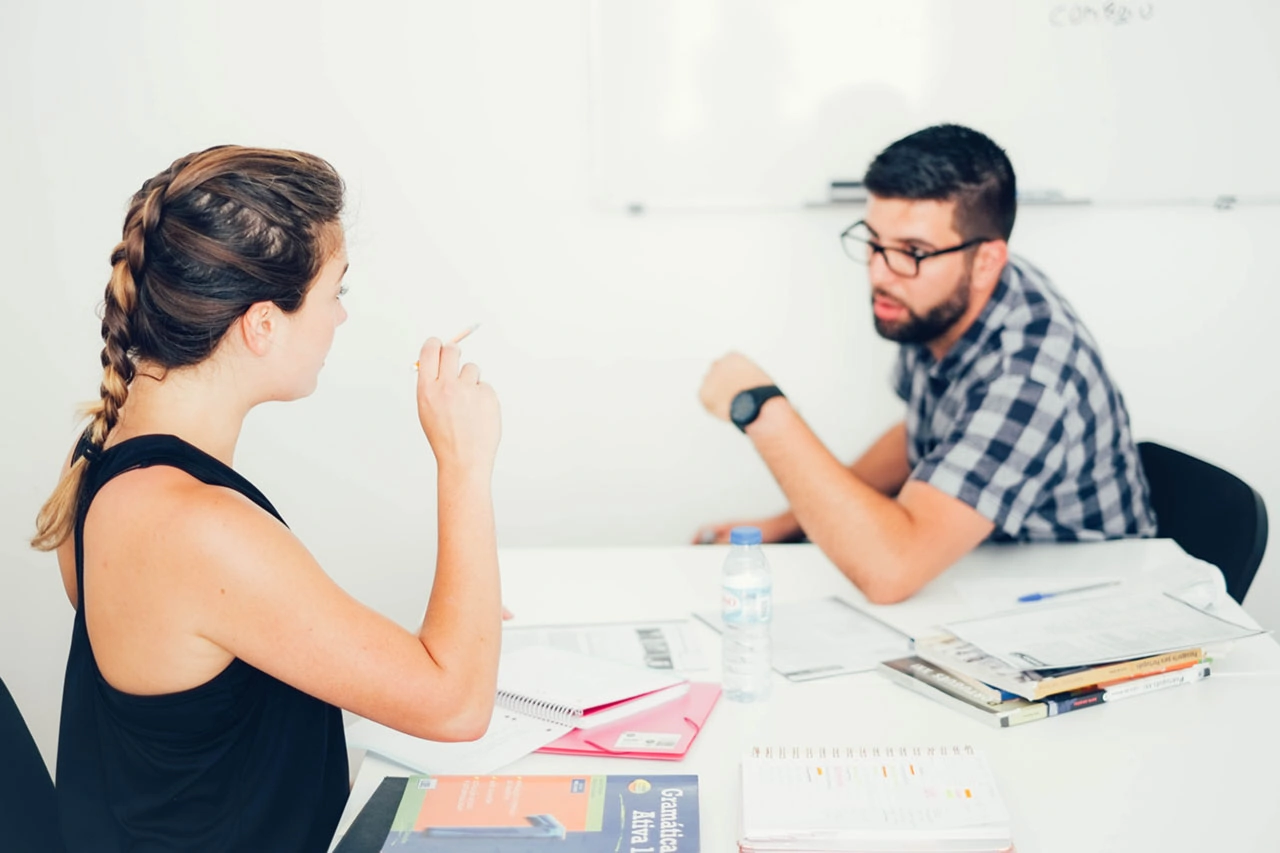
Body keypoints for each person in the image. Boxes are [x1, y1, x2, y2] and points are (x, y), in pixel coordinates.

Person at [30, 146, 504, 851]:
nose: (340, 318)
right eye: (335, 291)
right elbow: (456, 704)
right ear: (261, 324)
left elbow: (213, 680)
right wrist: (463, 462)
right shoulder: (192, 525)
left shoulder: (104, 455)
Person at [695, 124, 1156, 604]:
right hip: (985, 574)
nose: (880, 273)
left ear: (986, 262)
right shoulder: (942, 297)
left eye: (912, 252)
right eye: (874, 242)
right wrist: (788, 525)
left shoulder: (1032, 377)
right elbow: (926, 434)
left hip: (1090, 606)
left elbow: (891, 571)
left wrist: (763, 410)